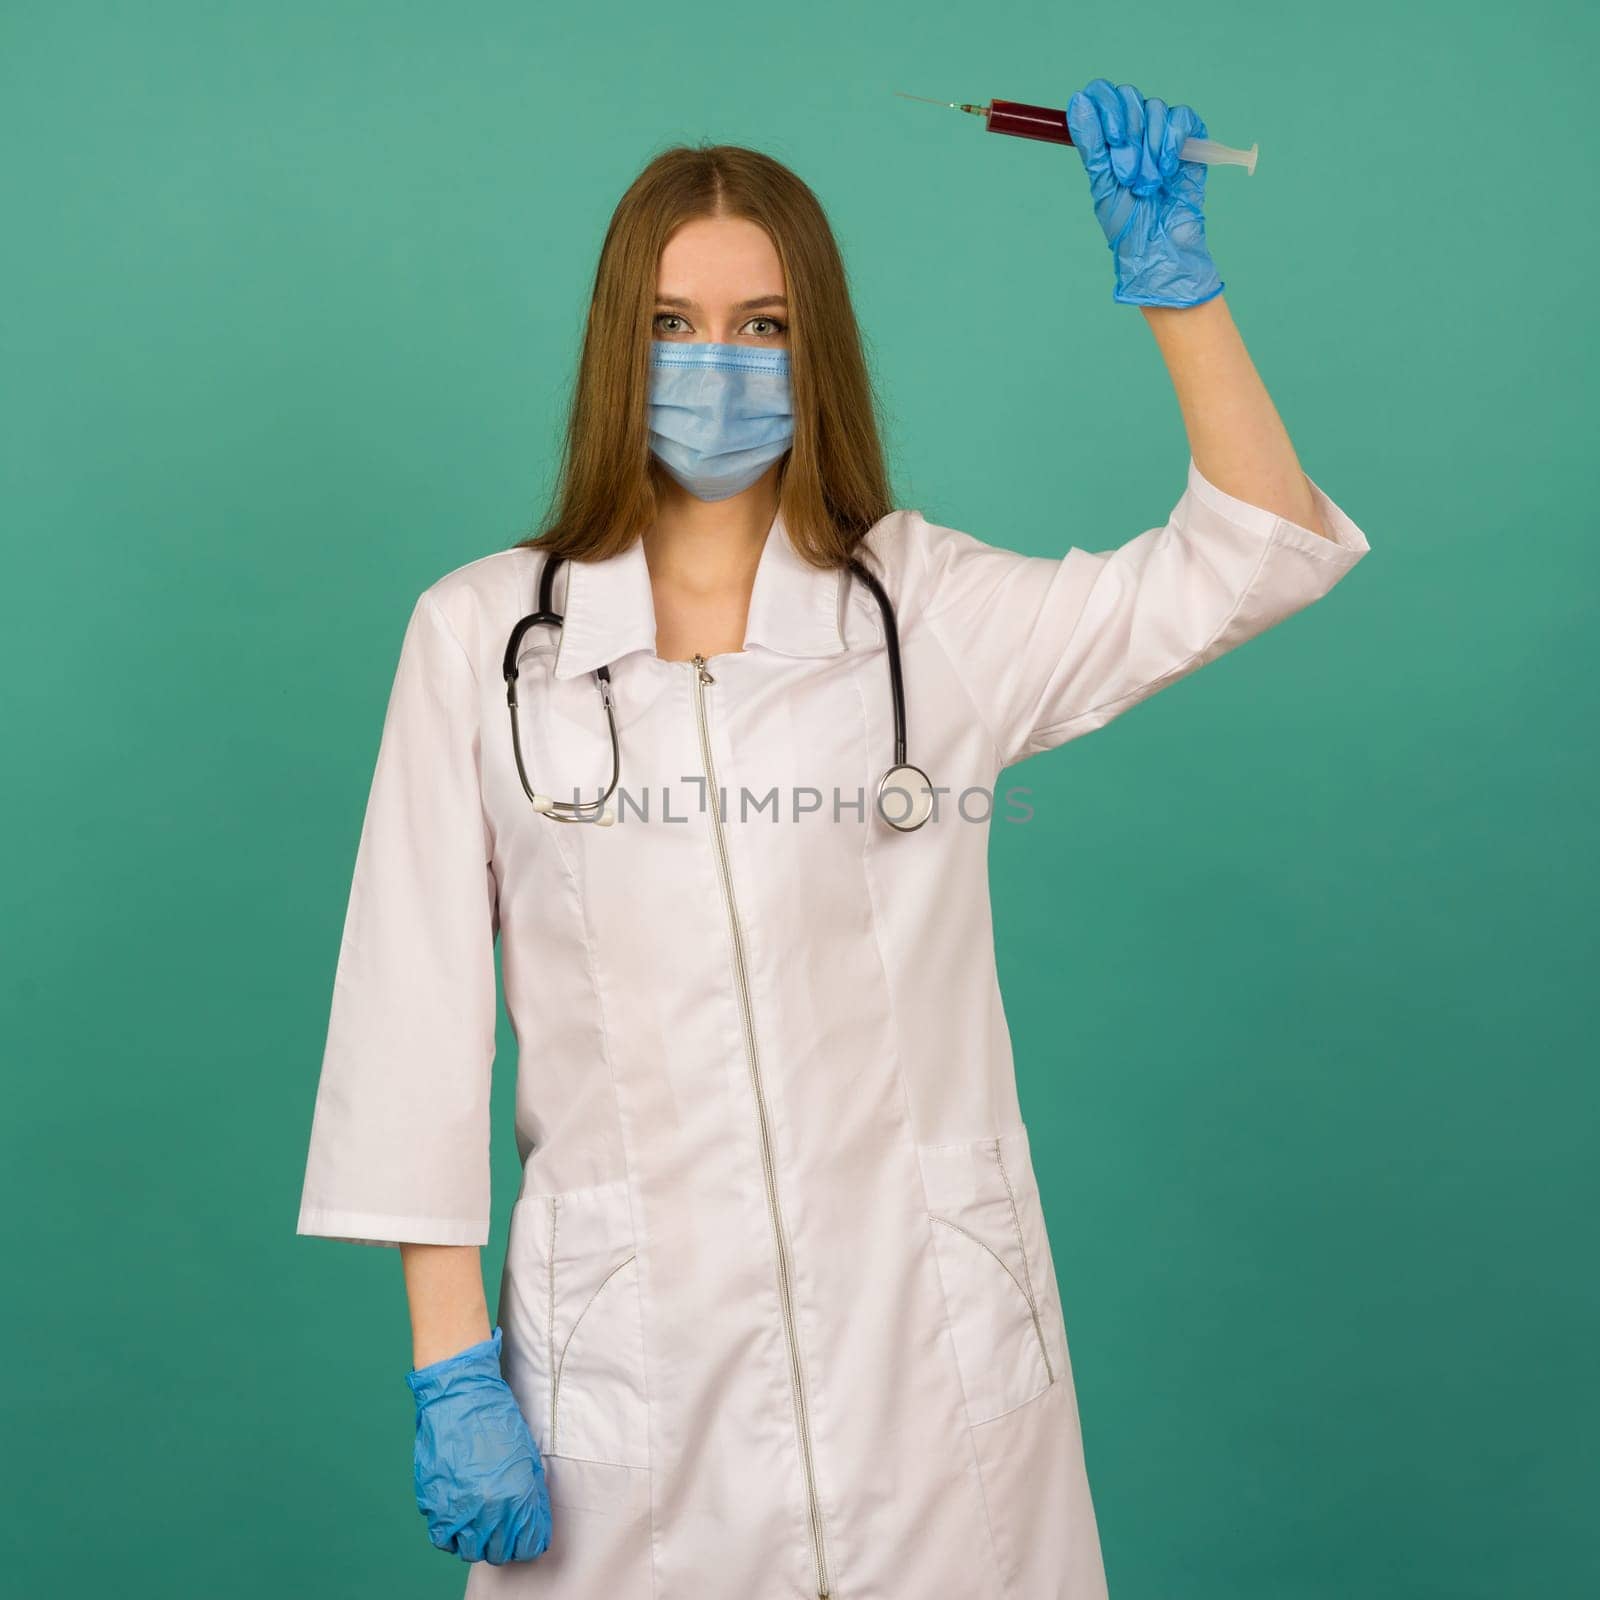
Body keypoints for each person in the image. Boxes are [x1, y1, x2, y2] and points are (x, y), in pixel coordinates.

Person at [296, 76, 1372, 1599]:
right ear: (617, 344)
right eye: (672, 324)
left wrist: (1178, 291)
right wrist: (448, 1366)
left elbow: (1255, 556)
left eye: (764, 326)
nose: (714, 364)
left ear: (820, 352)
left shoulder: (927, 611)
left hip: (928, 1370)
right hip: (633, 1381)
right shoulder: (485, 638)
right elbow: (411, 1022)